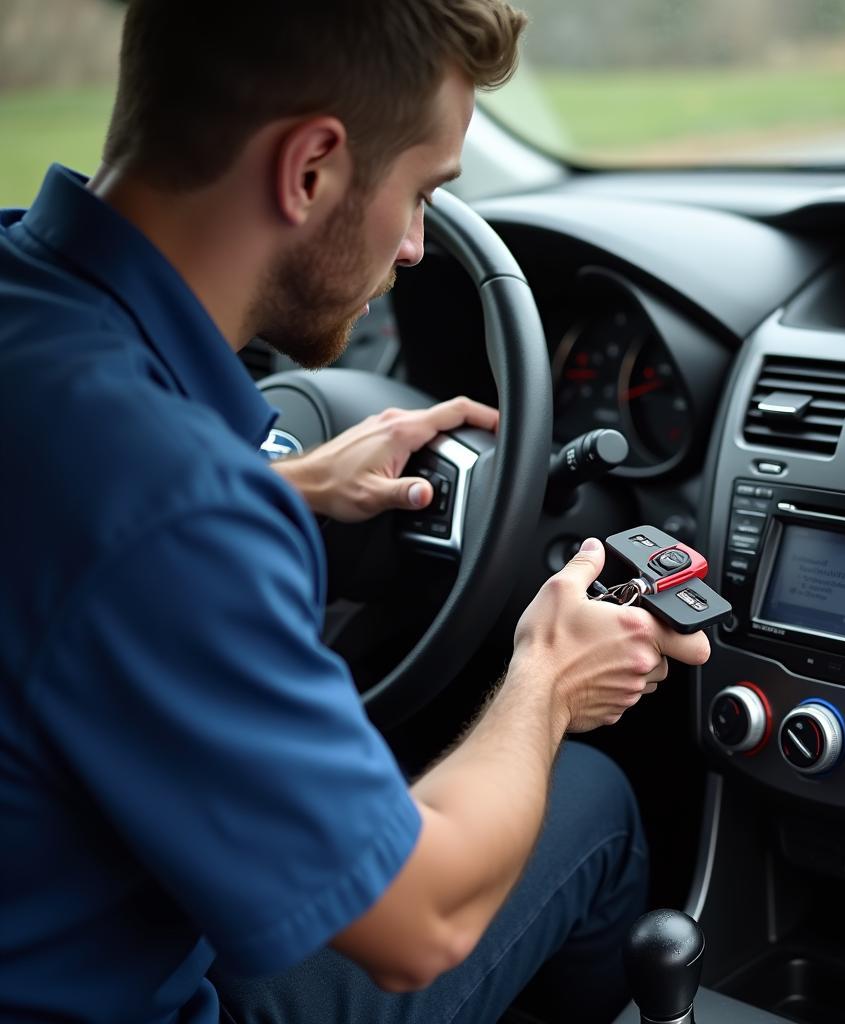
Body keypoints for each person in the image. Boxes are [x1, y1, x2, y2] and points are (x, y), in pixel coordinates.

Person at [0, 2, 711, 1022]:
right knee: (592, 800)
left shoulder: (34, 318)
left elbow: (64, 524)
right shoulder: (176, 509)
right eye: (422, 193)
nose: (419, 245)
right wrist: (550, 675)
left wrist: (284, 488)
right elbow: (420, 926)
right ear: (311, 169)